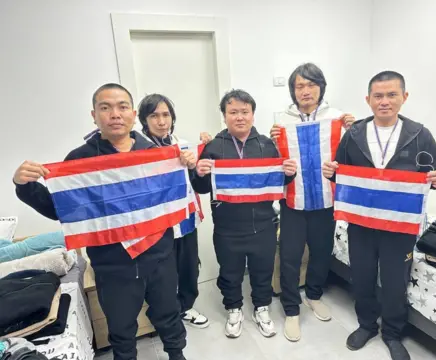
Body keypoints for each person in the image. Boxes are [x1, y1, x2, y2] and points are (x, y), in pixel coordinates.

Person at [13, 84, 188, 360]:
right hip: (112, 263)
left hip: (159, 255)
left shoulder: (154, 152)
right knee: (120, 328)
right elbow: (63, 211)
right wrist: (24, 186)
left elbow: (174, 198)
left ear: (132, 113)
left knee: (169, 313)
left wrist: (185, 163)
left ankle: (177, 354)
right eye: (105, 107)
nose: (115, 114)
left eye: (121, 107)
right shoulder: (80, 159)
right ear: (94, 115)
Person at [322, 71, 436, 360]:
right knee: (362, 277)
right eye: (378, 96)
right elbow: (342, 175)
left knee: (396, 281)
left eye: (392, 95)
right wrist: (331, 174)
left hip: (400, 226)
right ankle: (366, 325)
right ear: (368, 99)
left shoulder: (420, 135)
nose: (385, 101)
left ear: (404, 97)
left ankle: (393, 333)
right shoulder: (354, 134)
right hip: (361, 224)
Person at [191, 89, 297, 339]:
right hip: (227, 228)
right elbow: (203, 188)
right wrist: (200, 173)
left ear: (252, 114)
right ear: (224, 116)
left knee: (262, 271)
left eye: (244, 112)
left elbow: (279, 182)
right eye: (233, 112)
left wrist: (290, 173)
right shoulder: (214, 147)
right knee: (230, 272)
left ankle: (261, 308)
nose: (239, 117)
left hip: (263, 224)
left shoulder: (267, 145)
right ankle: (234, 308)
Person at [270, 62, 355, 341]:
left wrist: (353, 130)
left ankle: (315, 295)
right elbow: (273, 162)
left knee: (321, 252)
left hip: (326, 200)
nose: (305, 91)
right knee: (291, 257)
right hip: (293, 202)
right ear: (293, 91)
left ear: (321, 87)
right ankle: (291, 309)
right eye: (299, 86)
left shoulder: (339, 118)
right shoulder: (281, 121)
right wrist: (274, 143)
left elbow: (354, 157)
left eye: (311, 84)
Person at [137, 93, 210, 329]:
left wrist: (194, 165)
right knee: (162, 274)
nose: (161, 121)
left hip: (185, 218)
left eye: (166, 114)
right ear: (144, 120)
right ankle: (166, 315)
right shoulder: (137, 150)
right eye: (154, 115)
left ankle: (186, 306)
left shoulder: (184, 144)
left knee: (188, 266)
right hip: (157, 224)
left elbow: (199, 183)